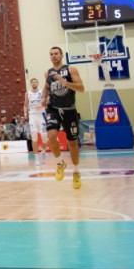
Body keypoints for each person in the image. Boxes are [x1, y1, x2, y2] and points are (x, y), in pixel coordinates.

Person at [45, 46, 85, 189]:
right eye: (51, 54)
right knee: (51, 135)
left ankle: (76, 172)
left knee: (72, 143)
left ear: (62, 55)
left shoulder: (70, 70)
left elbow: (81, 88)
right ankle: (60, 163)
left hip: (69, 110)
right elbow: (46, 87)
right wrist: (43, 98)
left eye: (56, 53)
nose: (54, 56)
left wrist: (64, 82)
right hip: (53, 109)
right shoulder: (48, 73)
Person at [25, 77, 48, 165]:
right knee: (34, 136)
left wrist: (42, 105)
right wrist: (25, 113)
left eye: (35, 82)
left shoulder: (42, 92)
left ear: (38, 83)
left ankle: (43, 154)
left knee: (44, 136)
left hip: (41, 115)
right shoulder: (28, 93)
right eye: (32, 82)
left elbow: (47, 102)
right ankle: (36, 157)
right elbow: (25, 105)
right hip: (32, 115)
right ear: (30, 84)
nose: (34, 83)